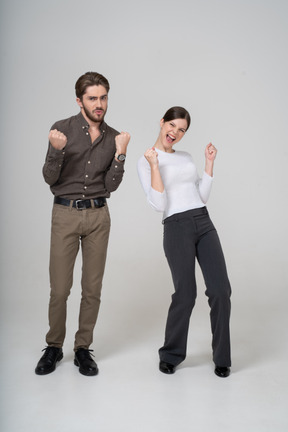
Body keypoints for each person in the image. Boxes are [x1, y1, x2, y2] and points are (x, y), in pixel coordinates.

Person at [35, 72, 130, 376]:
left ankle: (82, 348)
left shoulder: (113, 135)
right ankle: (53, 346)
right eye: (92, 98)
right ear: (79, 101)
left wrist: (121, 155)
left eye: (103, 97)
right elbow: (50, 178)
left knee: (92, 288)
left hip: (99, 216)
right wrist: (55, 149)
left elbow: (111, 186)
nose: (99, 104)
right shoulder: (60, 130)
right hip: (64, 214)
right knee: (60, 288)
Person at [137, 106, 231, 378]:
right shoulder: (146, 160)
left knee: (221, 290)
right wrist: (155, 165)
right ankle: (171, 354)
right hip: (176, 226)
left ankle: (222, 358)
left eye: (181, 130)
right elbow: (158, 204)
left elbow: (201, 197)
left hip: (203, 221)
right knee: (186, 293)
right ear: (162, 122)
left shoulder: (186, 157)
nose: (175, 133)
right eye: (172, 126)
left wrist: (209, 164)